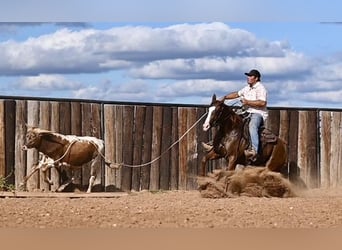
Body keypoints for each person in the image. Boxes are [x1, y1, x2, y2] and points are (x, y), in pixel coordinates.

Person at [206, 69, 268, 161]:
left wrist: (247, 102)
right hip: (246, 112)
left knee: (252, 126)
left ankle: (254, 150)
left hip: (257, 113)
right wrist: (225, 97)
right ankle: (215, 143)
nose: (248, 78)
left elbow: (262, 103)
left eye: (251, 76)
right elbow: (237, 94)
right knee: (230, 121)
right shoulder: (247, 88)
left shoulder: (261, 88)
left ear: (256, 78)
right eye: (248, 76)